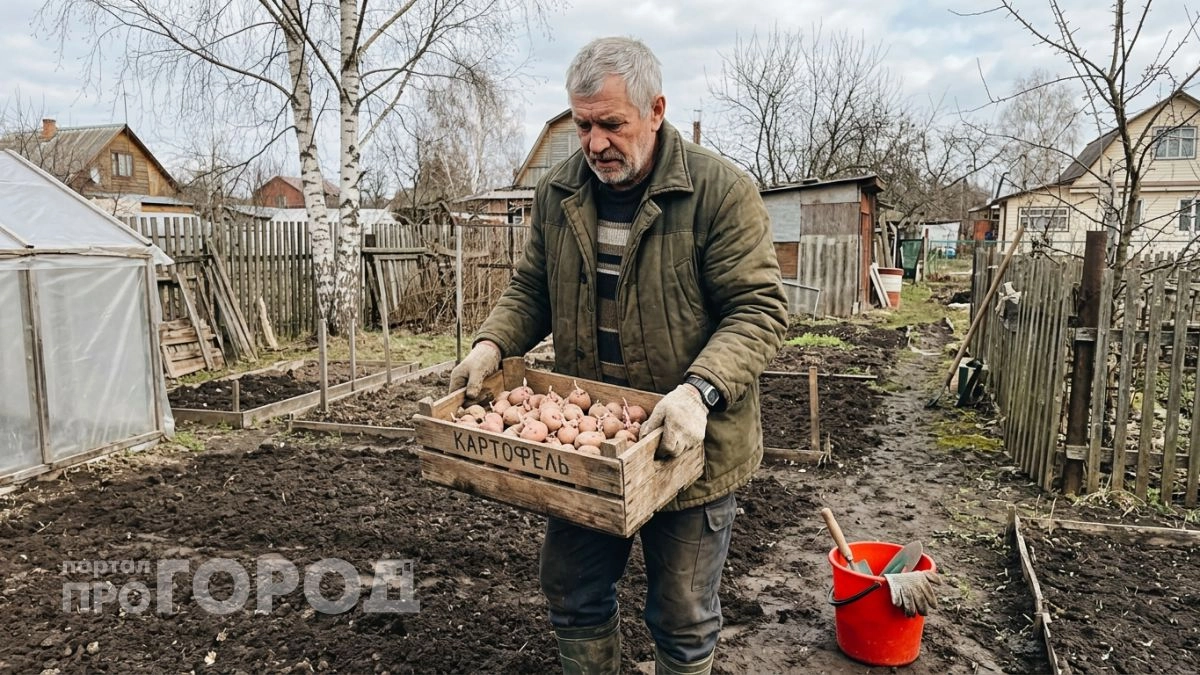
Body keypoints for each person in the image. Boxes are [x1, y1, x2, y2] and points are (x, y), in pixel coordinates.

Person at [449, 36, 788, 675]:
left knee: (684, 617)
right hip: (588, 449)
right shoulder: (557, 194)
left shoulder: (719, 193)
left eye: (612, 123)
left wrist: (699, 391)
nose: (595, 142)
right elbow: (532, 288)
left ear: (656, 110)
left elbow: (759, 310)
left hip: (693, 447)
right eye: (582, 124)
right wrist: (490, 344)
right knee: (572, 595)